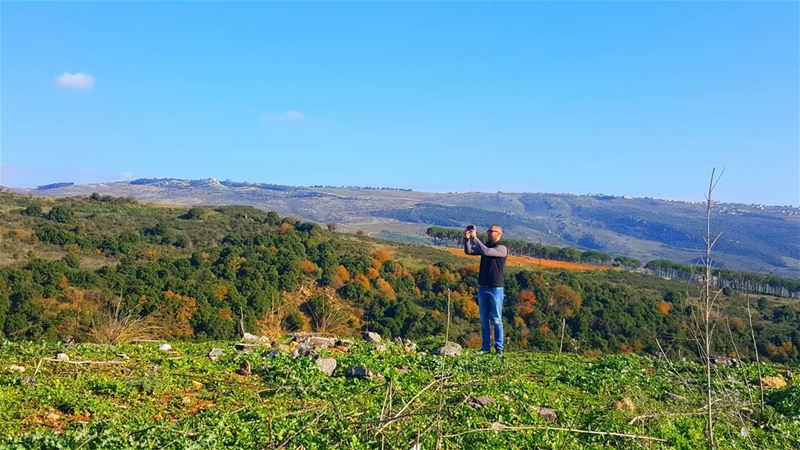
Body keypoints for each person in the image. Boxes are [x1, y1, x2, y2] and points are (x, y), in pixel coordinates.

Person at [463, 224, 508, 355]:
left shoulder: (502, 248)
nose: (488, 233)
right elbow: (469, 251)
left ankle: (499, 348)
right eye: (488, 230)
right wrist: (466, 239)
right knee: (484, 320)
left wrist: (475, 238)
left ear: (499, 233)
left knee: (497, 319)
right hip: (483, 287)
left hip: (495, 288)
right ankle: (485, 347)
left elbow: (486, 252)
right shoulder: (486, 246)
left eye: (491, 231)